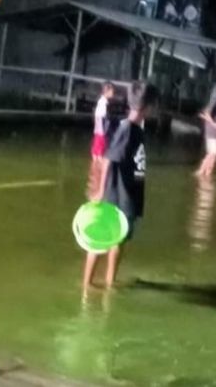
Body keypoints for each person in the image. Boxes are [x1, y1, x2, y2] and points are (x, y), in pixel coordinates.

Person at [83, 82, 158, 289]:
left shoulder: (136, 130)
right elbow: (108, 159)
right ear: (148, 107)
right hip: (116, 195)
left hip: (128, 196)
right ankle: (90, 285)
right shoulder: (128, 129)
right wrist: (99, 191)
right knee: (102, 240)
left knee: (119, 240)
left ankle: (108, 283)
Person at [91, 82, 115, 162]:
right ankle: (100, 161)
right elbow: (101, 116)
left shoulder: (101, 101)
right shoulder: (104, 103)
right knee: (101, 145)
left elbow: (97, 116)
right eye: (112, 91)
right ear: (107, 91)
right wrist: (103, 129)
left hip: (99, 128)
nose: (113, 93)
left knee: (97, 145)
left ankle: (96, 160)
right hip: (102, 128)